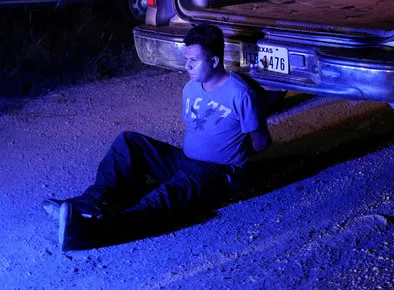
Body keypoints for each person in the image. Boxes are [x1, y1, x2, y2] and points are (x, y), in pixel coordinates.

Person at [42, 24, 272, 251]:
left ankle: (88, 232)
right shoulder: (191, 88)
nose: (187, 66)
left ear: (213, 62)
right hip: (187, 161)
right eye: (186, 59)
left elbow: (261, 142)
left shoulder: (240, 94)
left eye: (194, 61)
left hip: (217, 171)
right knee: (129, 142)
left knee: (162, 198)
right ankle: (86, 205)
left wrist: (232, 159)